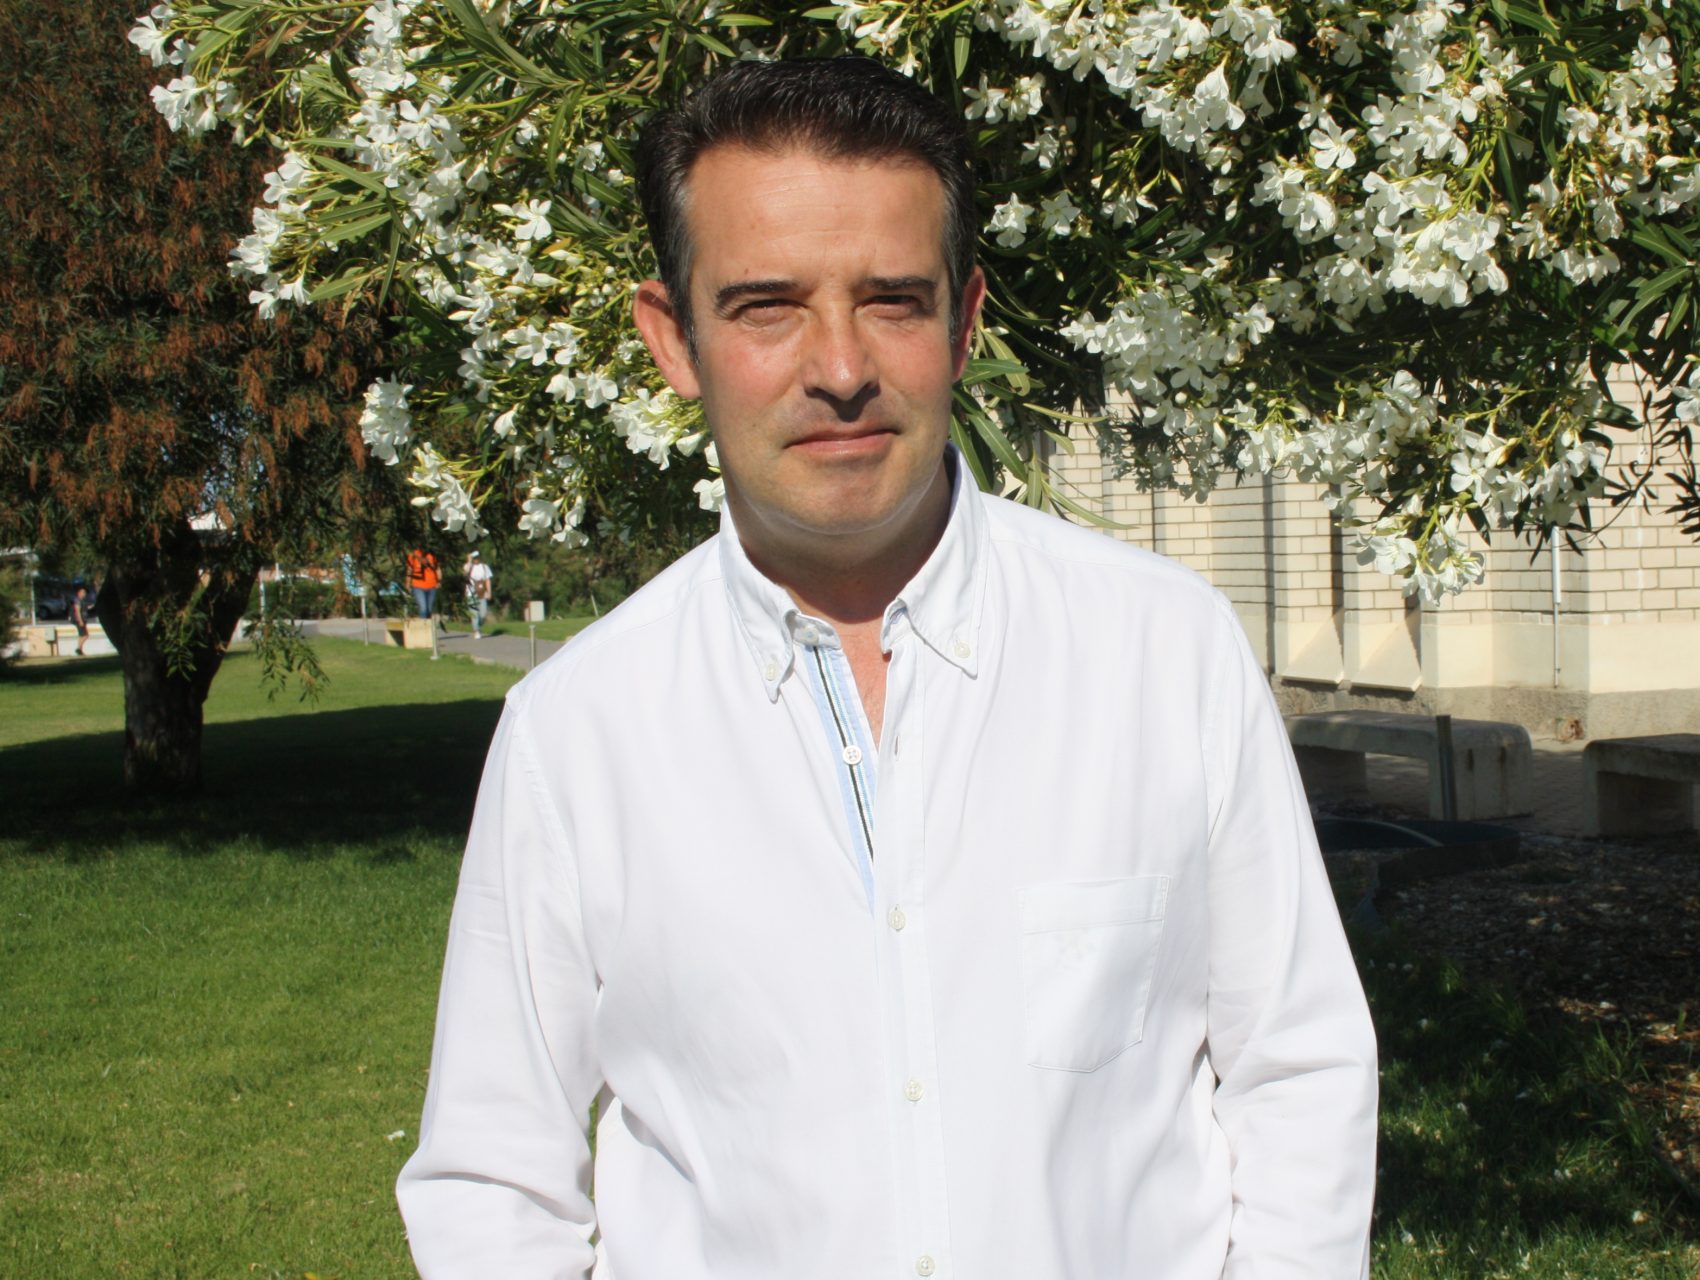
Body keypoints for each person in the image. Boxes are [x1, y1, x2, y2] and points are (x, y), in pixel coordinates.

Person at [397, 56, 1377, 1279]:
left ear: (963, 326)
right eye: (767, 306)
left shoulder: (1165, 655)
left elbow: (1298, 1072)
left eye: (893, 301)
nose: (841, 366)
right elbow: (493, 1181)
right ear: (674, 339)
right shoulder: (578, 730)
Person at [405, 548, 440, 622]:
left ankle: (427, 626)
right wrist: (407, 583)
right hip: (418, 586)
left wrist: (439, 581)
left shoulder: (432, 554)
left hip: (432, 586)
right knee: (423, 608)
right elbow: (409, 570)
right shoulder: (413, 555)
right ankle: (423, 626)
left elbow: (437, 568)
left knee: (429, 609)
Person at [464, 550, 493, 638]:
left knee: (483, 613)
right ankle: (476, 630)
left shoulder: (484, 567)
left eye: (477, 558)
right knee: (474, 613)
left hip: (482, 591)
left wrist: (489, 592)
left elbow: (487, 580)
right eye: (474, 558)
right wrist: (469, 561)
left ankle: (477, 626)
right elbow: (465, 572)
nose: (476, 560)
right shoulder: (468, 566)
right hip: (471, 591)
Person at [69, 582, 89, 657]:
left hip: (82, 620)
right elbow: (77, 611)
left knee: (81, 635)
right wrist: (80, 621)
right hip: (79, 620)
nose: (84, 594)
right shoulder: (77, 600)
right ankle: (78, 648)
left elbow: (85, 608)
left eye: (85, 592)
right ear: (79, 593)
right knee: (85, 635)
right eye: (83, 592)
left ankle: (80, 650)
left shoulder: (82, 601)